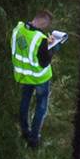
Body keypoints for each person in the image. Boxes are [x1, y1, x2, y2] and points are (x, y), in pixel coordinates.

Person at [11, 12, 68, 148]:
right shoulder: (40, 40)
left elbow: (24, 47)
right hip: (39, 78)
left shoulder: (18, 29)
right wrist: (55, 46)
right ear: (44, 25)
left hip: (23, 75)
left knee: (25, 102)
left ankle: (25, 131)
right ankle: (34, 139)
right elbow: (44, 62)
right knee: (41, 107)